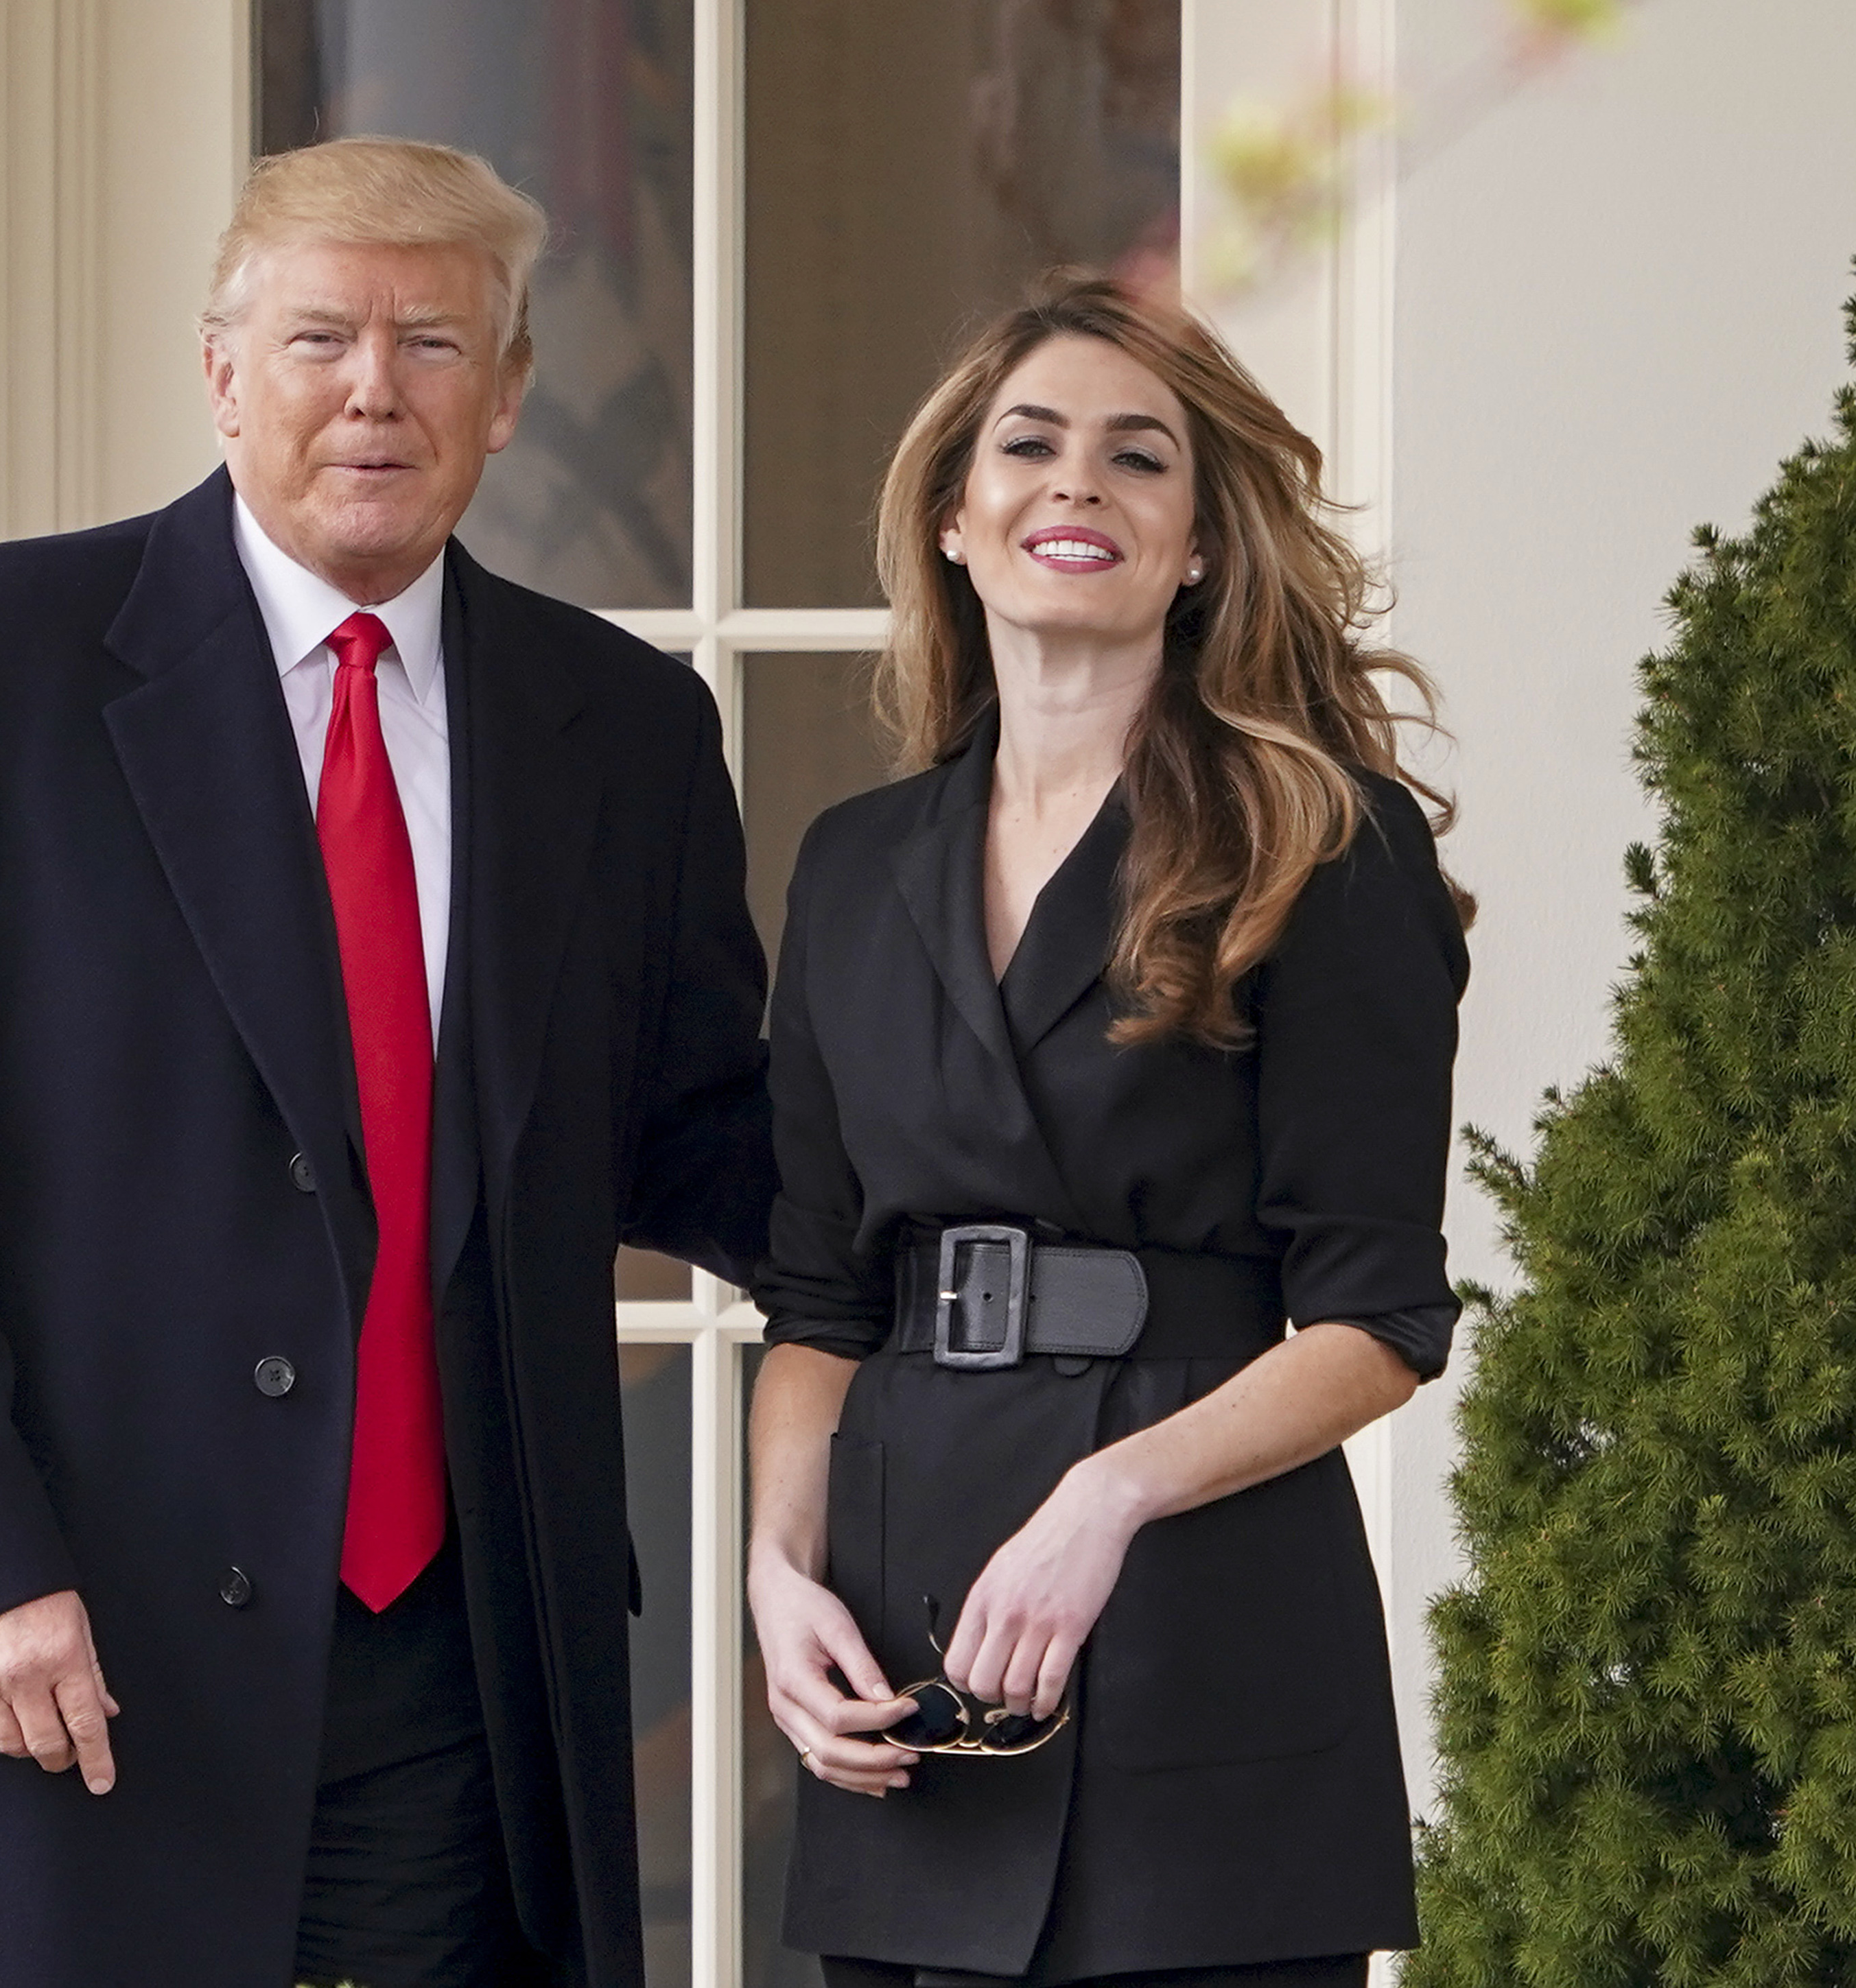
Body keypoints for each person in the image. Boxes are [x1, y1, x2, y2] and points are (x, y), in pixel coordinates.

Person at [0, 137, 773, 1988]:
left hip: (452, 1679)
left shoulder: (625, 728)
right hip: (56, 1648)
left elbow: (710, 1139)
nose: (375, 389)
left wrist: (1034, 1150)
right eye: (321, 339)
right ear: (223, 376)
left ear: (509, 393)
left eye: (433, 343)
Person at [744, 271, 1471, 1988]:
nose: (1075, 481)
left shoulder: (1321, 840)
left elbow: (1375, 1322)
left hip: (1195, 1618)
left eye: (1138, 457)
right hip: (911, 1643)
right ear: (951, 515)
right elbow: (818, 1308)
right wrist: (778, 1577)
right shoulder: (851, 864)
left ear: (1200, 546)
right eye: (1028, 445)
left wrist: (1108, 1501)